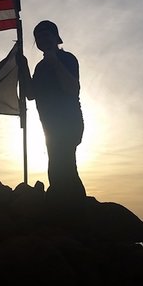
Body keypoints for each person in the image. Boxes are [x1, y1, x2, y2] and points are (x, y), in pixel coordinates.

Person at [18, 20, 86, 200]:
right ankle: (67, 208)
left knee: (63, 168)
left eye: (46, 34)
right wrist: (23, 66)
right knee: (58, 168)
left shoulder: (67, 59)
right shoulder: (40, 67)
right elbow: (31, 94)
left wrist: (55, 62)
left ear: (56, 37)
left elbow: (73, 88)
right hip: (50, 127)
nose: (42, 38)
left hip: (69, 123)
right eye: (38, 36)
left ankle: (73, 210)